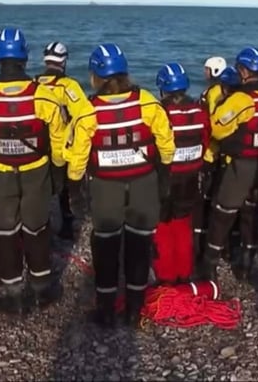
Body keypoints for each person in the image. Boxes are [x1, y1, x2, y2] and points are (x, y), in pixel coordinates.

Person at [0, 27, 66, 315]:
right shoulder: (45, 97)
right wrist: (58, 170)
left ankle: (12, 292)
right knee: (37, 228)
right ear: (25, 58)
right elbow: (58, 139)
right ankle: (42, 289)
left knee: (4, 232)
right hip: (36, 172)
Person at [65, 43, 175, 328]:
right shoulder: (148, 102)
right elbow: (166, 143)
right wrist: (164, 177)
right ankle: (134, 309)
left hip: (105, 186)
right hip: (143, 183)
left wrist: (74, 189)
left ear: (96, 76)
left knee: (106, 246)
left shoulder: (87, 110)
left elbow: (77, 155)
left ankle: (105, 309)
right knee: (139, 245)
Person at [199, 46, 258, 282]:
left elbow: (216, 127)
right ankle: (246, 262)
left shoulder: (240, 99)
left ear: (244, 71)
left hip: (242, 165)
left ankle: (209, 265)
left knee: (223, 212)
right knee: (252, 211)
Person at [153, 63, 209, 284]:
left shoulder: (161, 112)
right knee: (183, 225)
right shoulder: (199, 110)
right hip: (190, 177)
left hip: (167, 179)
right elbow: (205, 141)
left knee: (163, 226)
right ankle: (185, 273)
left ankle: (166, 276)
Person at [34, 41, 89, 241]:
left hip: (36, 148)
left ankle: (39, 226)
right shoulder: (69, 86)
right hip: (62, 149)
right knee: (64, 189)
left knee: (39, 190)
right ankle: (67, 224)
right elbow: (84, 117)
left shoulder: (34, 84)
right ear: (64, 61)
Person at [195, 66, 240, 268]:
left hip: (220, 155)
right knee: (214, 201)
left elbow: (214, 126)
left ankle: (218, 249)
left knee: (218, 203)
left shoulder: (222, 96)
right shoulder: (220, 96)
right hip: (219, 154)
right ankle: (222, 247)